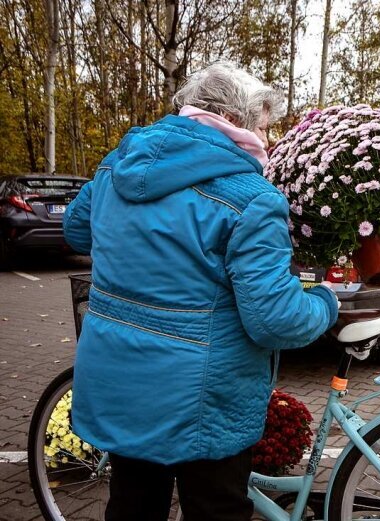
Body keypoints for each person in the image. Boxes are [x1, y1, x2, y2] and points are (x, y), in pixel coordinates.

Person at [62, 62, 339, 521]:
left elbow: (76, 230)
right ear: (242, 123)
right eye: (264, 127)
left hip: (121, 381)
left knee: (132, 503)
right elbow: (274, 319)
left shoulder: (119, 164)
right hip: (202, 400)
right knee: (216, 508)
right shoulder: (252, 197)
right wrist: (325, 302)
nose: (266, 140)